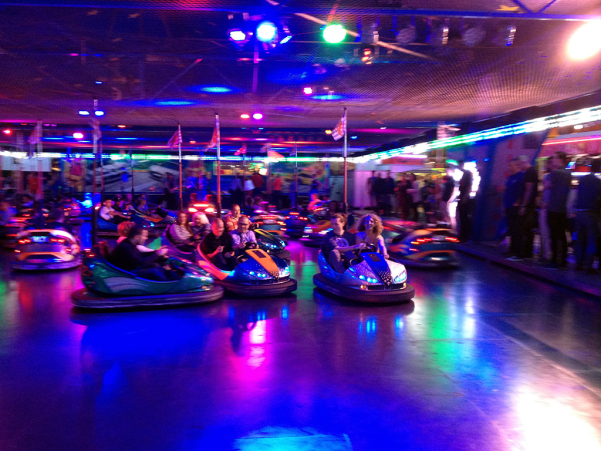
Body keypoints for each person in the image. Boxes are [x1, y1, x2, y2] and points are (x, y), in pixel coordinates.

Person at [541, 151, 571, 270]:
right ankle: (562, 261)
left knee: (553, 235)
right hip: (562, 208)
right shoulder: (568, 173)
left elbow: (545, 186)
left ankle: (553, 261)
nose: (553, 160)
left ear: (560, 159)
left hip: (553, 207)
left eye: (554, 158)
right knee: (562, 235)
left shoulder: (555, 173)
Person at [574, 159, 601, 273]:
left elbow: (578, 194)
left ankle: (579, 264)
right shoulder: (598, 182)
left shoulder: (583, 179)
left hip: (579, 212)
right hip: (591, 213)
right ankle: (589, 266)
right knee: (591, 239)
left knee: (580, 239)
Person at [511, 156, 539, 261]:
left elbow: (528, 190)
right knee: (528, 229)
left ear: (524, 162)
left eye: (519, 164)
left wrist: (523, 205)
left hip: (527, 205)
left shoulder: (529, 172)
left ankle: (519, 254)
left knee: (520, 228)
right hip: (530, 205)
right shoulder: (532, 171)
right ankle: (527, 253)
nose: (518, 167)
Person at [503, 159, 524, 258]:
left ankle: (517, 251)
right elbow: (507, 190)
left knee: (516, 229)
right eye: (509, 165)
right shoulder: (510, 177)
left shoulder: (521, 176)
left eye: (511, 165)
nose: (509, 167)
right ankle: (511, 249)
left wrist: (518, 203)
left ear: (517, 165)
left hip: (514, 206)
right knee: (510, 229)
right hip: (508, 206)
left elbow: (522, 191)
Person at [538, 157, 553, 263]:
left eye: (548, 163)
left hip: (548, 207)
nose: (546, 166)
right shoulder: (547, 176)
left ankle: (548, 256)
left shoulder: (552, 176)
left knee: (546, 233)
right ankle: (546, 254)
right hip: (545, 206)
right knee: (544, 233)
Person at [457, 161, 473, 242]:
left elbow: (469, 186)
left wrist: (465, 198)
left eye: (459, 165)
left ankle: (464, 236)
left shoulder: (467, 173)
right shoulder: (464, 174)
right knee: (462, 217)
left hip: (464, 198)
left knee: (464, 217)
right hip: (462, 197)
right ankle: (462, 235)